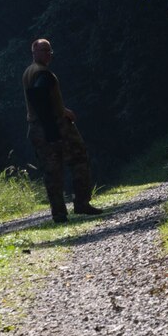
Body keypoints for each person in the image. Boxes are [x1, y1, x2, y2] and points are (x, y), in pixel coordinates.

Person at [22, 38, 103, 223]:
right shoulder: (43, 73)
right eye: (44, 50)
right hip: (55, 126)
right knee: (79, 160)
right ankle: (82, 203)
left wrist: (59, 110)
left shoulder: (29, 71)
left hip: (37, 127)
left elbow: (39, 99)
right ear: (34, 52)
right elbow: (39, 97)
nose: (48, 54)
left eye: (49, 50)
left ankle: (59, 213)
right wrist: (60, 115)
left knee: (51, 171)